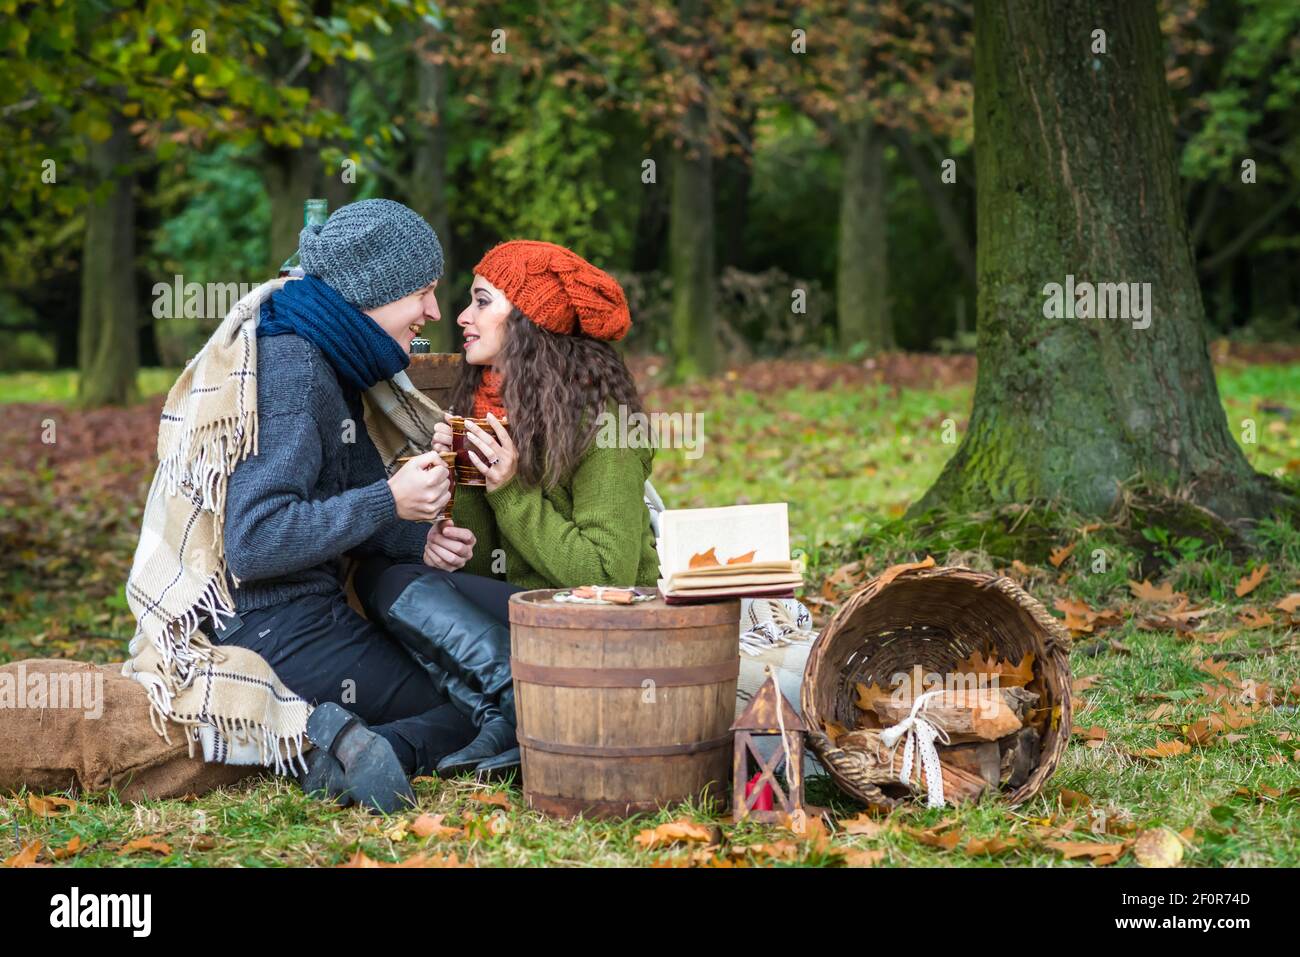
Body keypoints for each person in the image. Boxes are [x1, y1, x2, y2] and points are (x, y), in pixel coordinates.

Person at [210, 198, 489, 811]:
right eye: (422, 292)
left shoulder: (327, 353)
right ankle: (333, 758)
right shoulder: (297, 369)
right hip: (274, 624)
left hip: (308, 610)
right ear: (373, 289)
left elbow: (347, 498)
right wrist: (390, 497)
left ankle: (355, 745)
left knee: (468, 697)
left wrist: (419, 538)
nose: (434, 312)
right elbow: (254, 542)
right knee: (473, 714)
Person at [358, 239, 659, 782]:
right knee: (384, 573)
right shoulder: (485, 408)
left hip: (604, 625)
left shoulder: (603, 425)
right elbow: (480, 570)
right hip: (528, 618)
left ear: (529, 321)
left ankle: (503, 708)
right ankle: (504, 713)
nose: (460, 316)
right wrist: (459, 475)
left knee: (397, 583)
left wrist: (512, 488)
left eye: (480, 302)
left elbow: (607, 577)